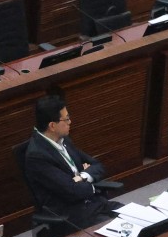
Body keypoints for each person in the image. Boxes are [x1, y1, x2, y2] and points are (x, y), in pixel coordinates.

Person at [24, 94, 118, 227]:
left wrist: (82, 177)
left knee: (138, 220)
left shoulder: (63, 140)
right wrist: (88, 182)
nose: (70, 122)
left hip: (94, 203)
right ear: (52, 125)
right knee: (123, 232)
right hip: (72, 215)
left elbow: (97, 165)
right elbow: (72, 191)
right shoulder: (38, 156)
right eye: (66, 119)